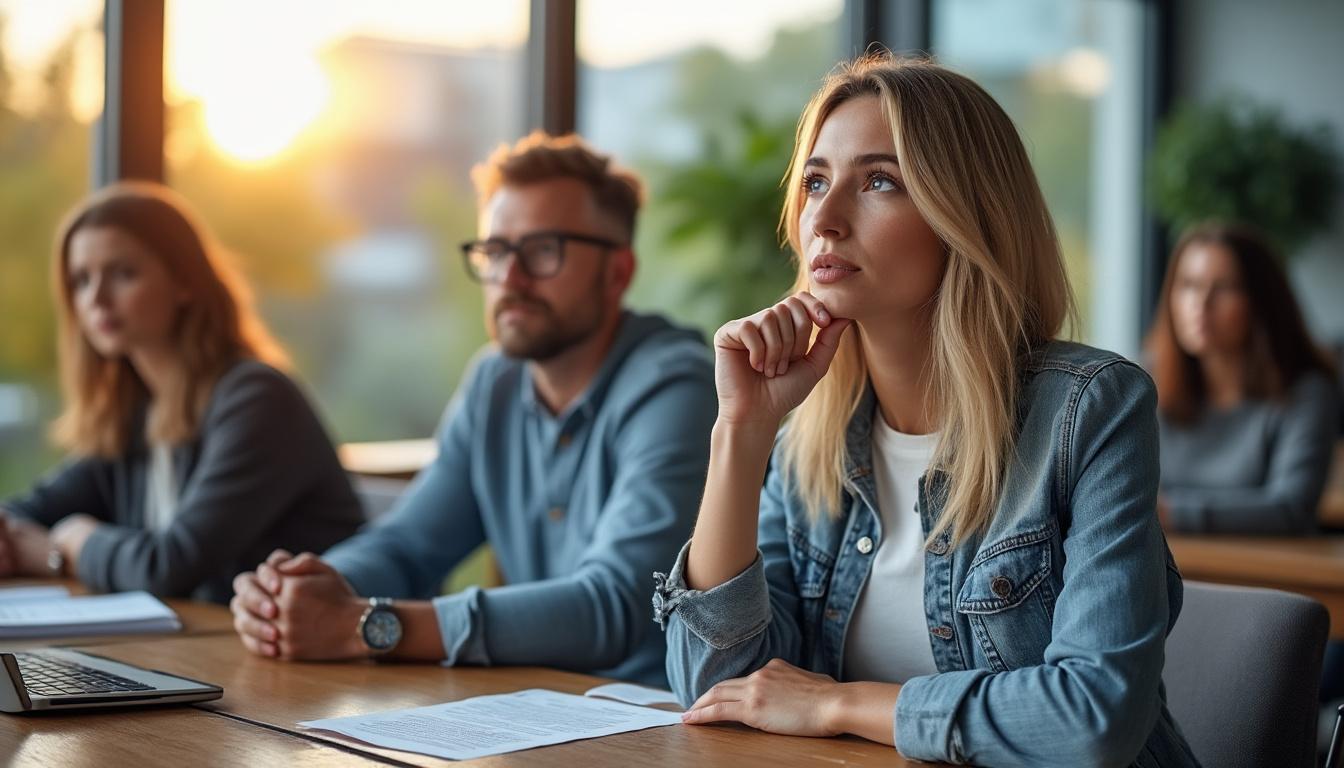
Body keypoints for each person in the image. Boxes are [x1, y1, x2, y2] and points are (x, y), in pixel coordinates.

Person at [652, 54, 1200, 766]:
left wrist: (833, 703)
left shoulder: (1089, 411)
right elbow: (714, 687)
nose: (826, 216)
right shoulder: (810, 438)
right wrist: (741, 433)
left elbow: (1093, 719)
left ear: (966, 216)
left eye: (879, 181)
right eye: (816, 181)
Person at [228, 132, 716, 688]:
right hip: (535, 707)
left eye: (542, 251)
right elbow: (410, 546)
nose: (509, 279)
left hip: (659, 721)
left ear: (617, 273)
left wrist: (366, 626)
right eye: (496, 252)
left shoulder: (675, 384)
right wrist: (301, 592)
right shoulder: (495, 381)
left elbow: (617, 606)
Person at [0, 182, 363, 604]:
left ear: (185, 283)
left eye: (123, 273)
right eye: (81, 280)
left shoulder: (258, 400)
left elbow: (170, 566)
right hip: (197, 653)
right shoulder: (134, 411)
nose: (96, 299)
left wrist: (71, 546)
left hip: (308, 663)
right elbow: (30, 513)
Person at [1147, 222, 1339, 535]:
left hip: (1267, 573)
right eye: (1189, 285)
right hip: (1171, 564)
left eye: (1224, 288)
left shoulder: (1307, 392)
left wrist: (1170, 512)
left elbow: (1291, 509)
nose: (1201, 304)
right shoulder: (1145, 382)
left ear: (1262, 302)